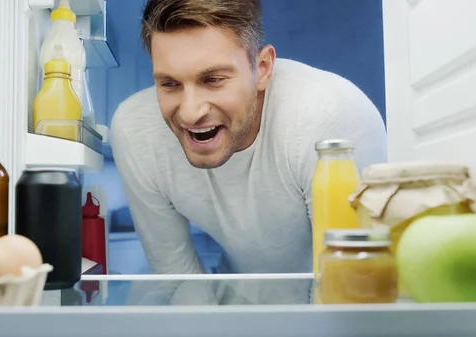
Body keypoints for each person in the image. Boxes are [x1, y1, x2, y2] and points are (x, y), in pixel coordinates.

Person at [111, 0, 387, 295]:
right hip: (239, 304)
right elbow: (176, 276)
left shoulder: (329, 116)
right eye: (169, 84)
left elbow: (353, 282)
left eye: (213, 79)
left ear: (263, 68)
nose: (190, 112)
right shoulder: (135, 131)